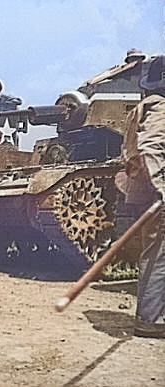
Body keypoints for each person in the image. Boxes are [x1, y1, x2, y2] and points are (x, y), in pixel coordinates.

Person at [121, 55, 165, 338]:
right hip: (158, 194)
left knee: (155, 256)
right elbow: (150, 150)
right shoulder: (161, 109)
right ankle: (150, 320)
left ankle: (151, 316)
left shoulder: (138, 110)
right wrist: (162, 189)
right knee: (159, 257)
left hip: (144, 192)